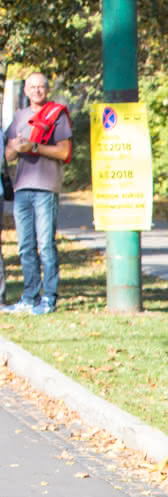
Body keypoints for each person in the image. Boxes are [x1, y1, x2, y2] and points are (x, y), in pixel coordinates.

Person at [3, 72, 72, 315]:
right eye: (32, 87)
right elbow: (8, 155)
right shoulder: (20, 117)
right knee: (25, 246)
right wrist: (14, 147)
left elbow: (64, 152)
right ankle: (30, 297)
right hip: (22, 186)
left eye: (41, 86)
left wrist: (34, 146)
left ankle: (49, 298)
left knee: (46, 244)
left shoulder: (57, 114)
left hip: (46, 186)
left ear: (47, 89)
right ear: (25, 91)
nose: (37, 91)